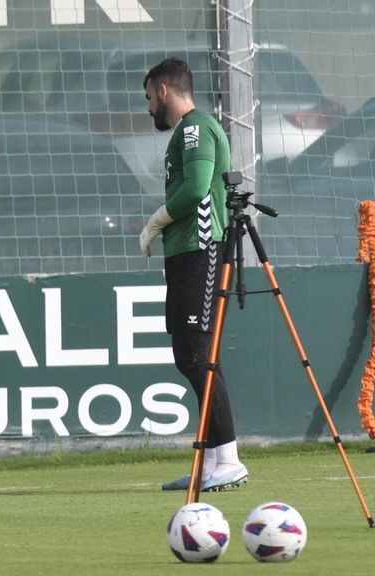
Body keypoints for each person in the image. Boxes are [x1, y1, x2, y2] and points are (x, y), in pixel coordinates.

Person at [139, 57, 248, 492]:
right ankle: (210, 461)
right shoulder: (188, 131)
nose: (149, 107)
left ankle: (229, 459)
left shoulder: (194, 128)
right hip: (186, 253)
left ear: (164, 91)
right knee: (189, 356)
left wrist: (157, 219)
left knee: (198, 356)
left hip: (201, 249)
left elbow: (197, 188)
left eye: (149, 97)